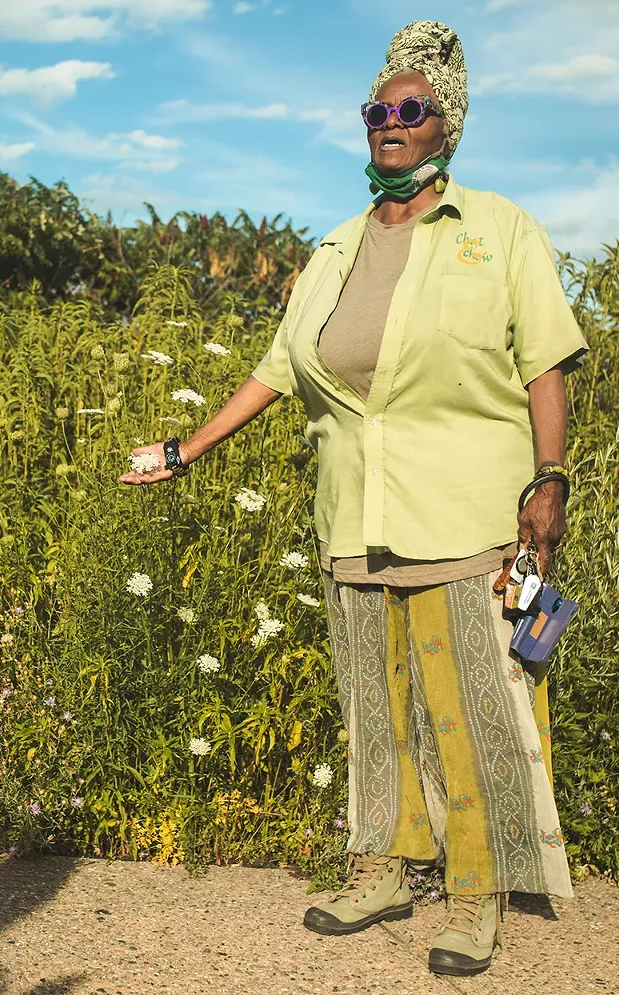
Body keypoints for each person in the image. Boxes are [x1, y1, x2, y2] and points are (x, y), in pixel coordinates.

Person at [119, 19, 588, 979]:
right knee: (374, 708)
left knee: (469, 710)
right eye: (378, 110)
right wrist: (187, 448)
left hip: (466, 516)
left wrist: (552, 477)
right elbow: (275, 370)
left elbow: (546, 361)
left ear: (443, 129)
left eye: (410, 110)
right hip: (356, 518)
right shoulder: (334, 248)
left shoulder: (497, 229)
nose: (390, 122)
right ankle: (377, 868)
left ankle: (474, 893)